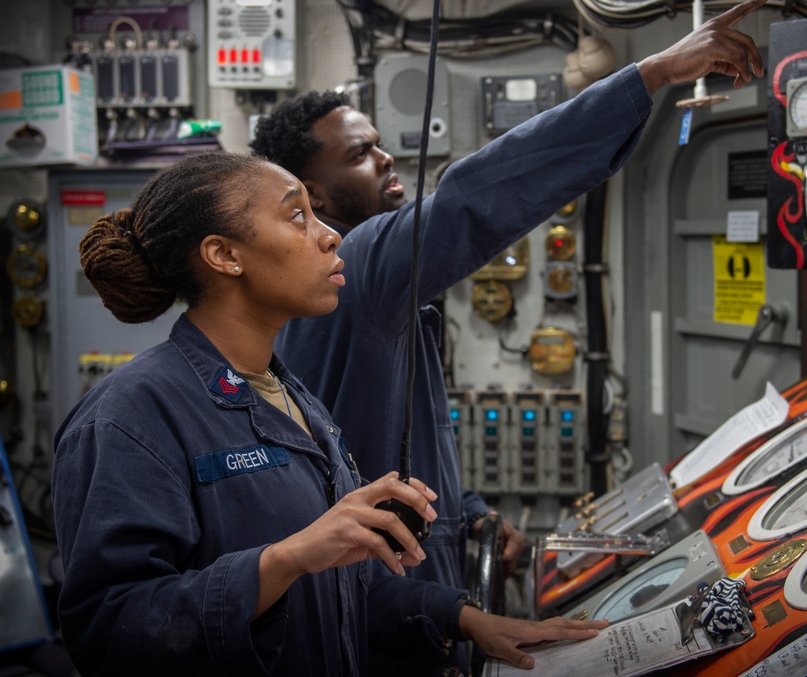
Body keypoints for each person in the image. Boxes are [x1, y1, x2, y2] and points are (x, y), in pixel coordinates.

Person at [250, 0, 773, 644]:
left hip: (406, 570)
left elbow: (383, 439)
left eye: (379, 143)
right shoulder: (353, 267)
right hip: (382, 596)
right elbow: (478, 196)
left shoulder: (342, 281)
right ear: (313, 194)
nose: (385, 158)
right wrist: (655, 72)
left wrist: (468, 513)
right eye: (359, 154)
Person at [50, 151, 609, 676]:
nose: (330, 235)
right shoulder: (130, 414)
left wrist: (464, 619)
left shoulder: (292, 398)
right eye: (297, 216)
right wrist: (287, 557)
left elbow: (339, 587)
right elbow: (110, 628)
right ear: (224, 255)